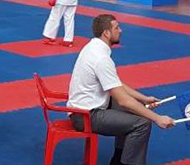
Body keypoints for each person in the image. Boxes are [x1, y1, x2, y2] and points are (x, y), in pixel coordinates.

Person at [68, 15, 175, 165]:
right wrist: (157, 118)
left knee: (137, 109)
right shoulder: (101, 58)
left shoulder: (93, 47)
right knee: (142, 124)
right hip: (86, 116)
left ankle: (117, 160)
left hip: (86, 108)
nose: (121, 30)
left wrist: (143, 99)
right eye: (116, 27)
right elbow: (124, 101)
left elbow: (116, 83)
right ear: (106, 33)